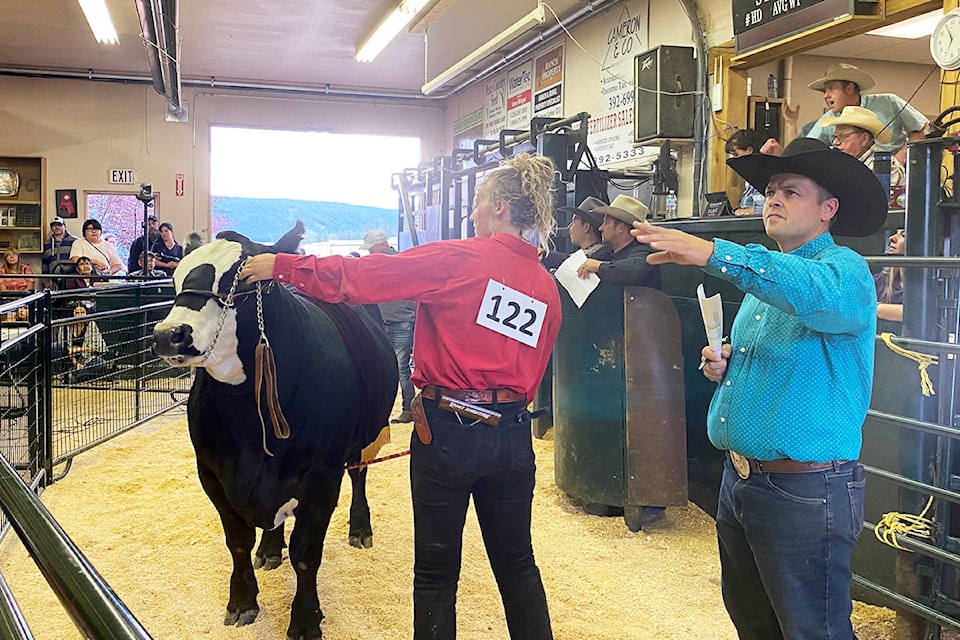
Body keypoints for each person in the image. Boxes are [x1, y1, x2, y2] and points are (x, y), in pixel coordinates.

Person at [240, 152, 560, 640]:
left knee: (435, 573)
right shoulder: (544, 285)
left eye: (477, 204)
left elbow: (366, 277)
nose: (472, 214)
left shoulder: (461, 258)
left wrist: (283, 266)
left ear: (498, 205)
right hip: (514, 435)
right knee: (518, 566)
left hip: (449, 428)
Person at [631, 137, 886, 640]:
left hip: (805, 488)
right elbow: (789, 337)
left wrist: (709, 251)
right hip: (747, 481)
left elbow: (805, 292)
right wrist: (730, 364)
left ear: (827, 210)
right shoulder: (768, 282)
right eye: (771, 190)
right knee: (755, 621)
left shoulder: (844, 273)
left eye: (791, 192)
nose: (773, 199)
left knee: (814, 630)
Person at [803, 63, 927, 164]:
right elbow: (806, 148)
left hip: (900, 175)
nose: (826, 95)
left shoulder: (888, 102)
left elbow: (923, 128)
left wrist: (900, 159)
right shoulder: (828, 119)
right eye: (825, 90)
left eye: (832, 88)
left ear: (850, 88)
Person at [358, 228, 417, 424]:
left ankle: (408, 409)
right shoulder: (379, 264)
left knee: (400, 368)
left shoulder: (401, 262)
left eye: (371, 249)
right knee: (391, 367)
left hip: (401, 322)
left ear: (381, 246)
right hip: (384, 322)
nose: (368, 253)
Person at [576, 194, 660, 288]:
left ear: (621, 228)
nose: (600, 228)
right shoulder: (608, 253)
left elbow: (636, 270)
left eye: (606, 223)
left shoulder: (642, 252)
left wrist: (599, 267)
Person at [830, 105, 905, 187]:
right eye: (835, 137)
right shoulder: (840, 164)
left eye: (843, 136)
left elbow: (883, 198)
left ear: (864, 139)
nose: (835, 142)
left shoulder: (885, 167)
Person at [542, 195, 613, 270]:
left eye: (574, 222)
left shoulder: (602, 256)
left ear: (586, 227)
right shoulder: (585, 253)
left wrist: (545, 255)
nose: (569, 226)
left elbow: (571, 263)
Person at [54, 302, 110, 383]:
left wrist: (77, 349)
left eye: (82, 312)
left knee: (101, 363)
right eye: (77, 313)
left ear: (86, 313)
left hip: (86, 358)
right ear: (73, 314)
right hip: (67, 357)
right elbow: (62, 344)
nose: (80, 315)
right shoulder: (65, 325)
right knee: (55, 348)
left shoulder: (91, 324)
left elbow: (96, 346)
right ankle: (74, 375)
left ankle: (74, 376)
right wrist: (75, 362)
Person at [725, 130, 767, 216]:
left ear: (749, 150)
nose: (734, 160)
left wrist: (737, 212)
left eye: (736, 155)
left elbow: (764, 209)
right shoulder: (749, 180)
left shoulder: (763, 176)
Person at [876, 228, 905, 322]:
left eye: (903, 235)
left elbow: (919, 314)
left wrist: (876, 308)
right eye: (896, 233)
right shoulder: (881, 280)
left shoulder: (935, 285)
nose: (892, 238)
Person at [42, 216, 75, 281]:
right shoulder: (47, 244)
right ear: (51, 228)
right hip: (53, 281)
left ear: (64, 227)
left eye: (59, 225)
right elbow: (45, 265)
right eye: (54, 225)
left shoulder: (74, 241)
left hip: (71, 280)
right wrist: (46, 282)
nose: (57, 227)